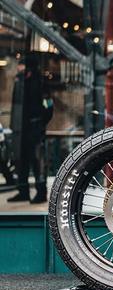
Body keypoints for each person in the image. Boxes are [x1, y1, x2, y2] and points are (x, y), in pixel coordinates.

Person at [8, 55, 52, 204]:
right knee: (22, 160)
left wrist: (41, 122)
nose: (18, 67)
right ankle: (23, 191)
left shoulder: (39, 81)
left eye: (21, 64)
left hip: (35, 126)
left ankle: (41, 192)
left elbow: (48, 104)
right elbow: (16, 105)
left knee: (37, 160)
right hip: (22, 128)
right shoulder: (20, 81)